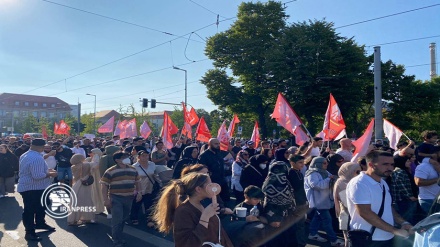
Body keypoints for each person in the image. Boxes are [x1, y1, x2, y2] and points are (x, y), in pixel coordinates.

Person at [346, 151, 412, 247]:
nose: (390, 168)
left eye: (392, 164)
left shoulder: (382, 182)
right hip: (367, 238)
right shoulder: (359, 183)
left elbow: (388, 207)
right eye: (385, 164)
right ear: (371, 165)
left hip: (386, 237)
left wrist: (403, 222)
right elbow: (365, 212)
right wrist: (395, 230)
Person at [152, 172, 233, 247]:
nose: (213, 186)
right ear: (198, 189)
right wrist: (205, 217)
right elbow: (187, 243)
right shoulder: (183, 211)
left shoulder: (204, 204)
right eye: (210, 184)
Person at [17, 139, 58, 241]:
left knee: (42, 205)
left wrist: (46, 170)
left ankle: (40, 223)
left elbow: (31, 170)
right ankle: (29, 232)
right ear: (41, 147)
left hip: (33, 187)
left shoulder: (26, 154)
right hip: (32, 188)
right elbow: (37, 176)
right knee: (29, 210)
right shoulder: (36, 157)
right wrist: (50, 174)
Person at [100, 152, 143, 247]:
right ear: (117, 160)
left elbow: (138, 182)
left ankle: (119, 236)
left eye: (127, 157)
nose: (127, 158)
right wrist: (105, 199)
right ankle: (116, 240)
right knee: (117, 220)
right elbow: (104, 186)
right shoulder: (110, 171)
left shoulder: (133, 169)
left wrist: (139, 192)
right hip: (116, 198)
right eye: (124, 157)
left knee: (123, 219)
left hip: (129, 197)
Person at [304, 157, 344, 246]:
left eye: (326, 163)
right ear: (318, 163)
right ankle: (334, 240)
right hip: (318, 201)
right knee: (327, 220)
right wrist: (329, 179)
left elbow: (331, 178)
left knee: (317, 218)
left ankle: (312, 233)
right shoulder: (312, 173)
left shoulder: (325, 172)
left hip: (324, 201)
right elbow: (317, 186)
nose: (326, 165)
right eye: (324, 163)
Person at [262, 157, 297, 247]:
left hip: (284, 214)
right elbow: (268, 201)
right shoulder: (275, 181)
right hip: (277, 214)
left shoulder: (270, 179)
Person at [333, 162, 362, 247]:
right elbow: (346, 202)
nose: (359, 174)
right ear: (349, 171)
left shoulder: (350, 181)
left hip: (352, 215)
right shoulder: (342, 183)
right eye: (357, 172)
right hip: (347, 215)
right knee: (349, 240)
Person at [130, 150, 161, 227]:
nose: (145, 157)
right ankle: (134, 217)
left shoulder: (152, 164)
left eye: (146, 155)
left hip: (150, 186)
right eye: (143, 156)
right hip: (139, 187)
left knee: (150, 204)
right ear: (139, 157)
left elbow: (155, 174)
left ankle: (149, 220)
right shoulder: (134, 166)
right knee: (137, 203)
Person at [67, 154, 97, 225]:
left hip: (77, 184)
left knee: (76, 202)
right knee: (87, 201)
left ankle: (74, 219)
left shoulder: (73, 167)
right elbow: (95, 164)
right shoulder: (86, 165)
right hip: (85, 184)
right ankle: (87, 218)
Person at [198, 138, 230, 202]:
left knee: (226, 199)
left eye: (218, 144)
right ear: (209, 144)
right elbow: (202, 169)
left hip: (222, 180)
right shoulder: (204, 155)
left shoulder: (219, 153)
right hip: (212, 181)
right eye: (215, 144)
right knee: (215, 200)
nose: (218, 145)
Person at [287, 154, 309, 247]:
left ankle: (300, 242)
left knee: (301, 223)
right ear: (292, 163)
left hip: (301, 201)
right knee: (297, 224)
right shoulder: (290, 173)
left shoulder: (299, 172)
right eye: (300, 162)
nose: (302, 164)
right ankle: (298, 242)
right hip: (294, 203)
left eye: (303, 162)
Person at [390, 154, 418, 225]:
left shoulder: (401, 170)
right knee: (408, 217)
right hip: (403, 199)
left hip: (403, 199)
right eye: (407, 161)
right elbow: (401, 185)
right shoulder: (400, 172)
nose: (410, 163)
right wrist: (410, 196)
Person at [414, 146, 440, 215]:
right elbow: (418, 182)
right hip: (428, 200)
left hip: (437, 200)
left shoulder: (437, 165)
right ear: (434, 154)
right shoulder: (424, 166)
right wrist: (438, 180)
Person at [87, 148, 105, 215]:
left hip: (96, 178)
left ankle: (97, 208)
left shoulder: (96, 157)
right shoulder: (99, 158)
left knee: (96, 192)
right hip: (96, 177)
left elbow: (94, 167)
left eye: (92, 152)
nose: (90, 154)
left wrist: (87, 164)